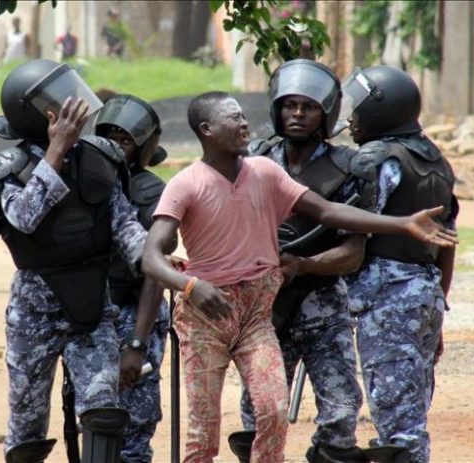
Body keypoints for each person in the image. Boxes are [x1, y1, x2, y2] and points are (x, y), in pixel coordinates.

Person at [138, 91, 457, 463]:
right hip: (205, 317)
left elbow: (328, 212)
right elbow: (151, 257)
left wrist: (402, 224)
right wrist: (191, 286)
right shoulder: (186, 184)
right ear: (207, 130)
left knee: (273, 412)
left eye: (244, 117)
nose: (244, 124)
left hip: (256, 315)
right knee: (203, 432)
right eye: (233, 118)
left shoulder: (265, 172)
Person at [0, 59, 163, 463]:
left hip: (91, 312)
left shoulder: (99, 160)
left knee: (103, 413)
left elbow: (124, 225)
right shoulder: (11, 169)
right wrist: (55, 152)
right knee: (27, 429)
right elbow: (23, 219)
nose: (74, 105)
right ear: (38, 114)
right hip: (33, 315)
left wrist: (155, 258)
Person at [234, 60, 371, 463]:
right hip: (265, 313)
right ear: (276, 109)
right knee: (259, 414)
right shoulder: (254, 161)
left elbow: (353, 253)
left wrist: (303, 266)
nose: (297, 114)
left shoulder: (349, 168)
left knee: (342, 413)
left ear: (325, 114)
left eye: (308, 107)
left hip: (324, 309)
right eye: (289, 105)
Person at [342, 66, 457, 463]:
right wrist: (438, 308)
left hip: (388, 304)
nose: (350, 118)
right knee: (411, 413)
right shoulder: (436, 159)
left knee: (397, 427)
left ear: (379, 110)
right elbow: (448, 244)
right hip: (425, 296)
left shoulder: (379, 158)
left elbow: (352, 225)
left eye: (356, 109)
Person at [95, 95, 170, 463]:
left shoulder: (150, 191)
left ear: (141, 147)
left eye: (124, 139)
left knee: (133, 428)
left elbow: (154, 273)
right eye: (106, 136)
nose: (113, 145)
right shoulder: (84, 183)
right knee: (93, 422)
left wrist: (138, 343)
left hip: (136, 310)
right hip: (92, 316)